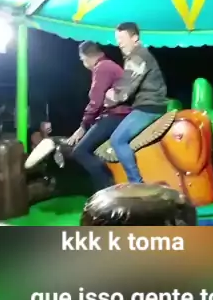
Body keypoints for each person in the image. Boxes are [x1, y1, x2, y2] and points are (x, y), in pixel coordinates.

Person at [105, 22, 167, 183]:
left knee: (117, 140)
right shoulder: (138, 55)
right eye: (117, 39)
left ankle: (136, 183)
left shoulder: (137, 56)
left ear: (135, 38)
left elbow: (124, 90)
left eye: (122, 38)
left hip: (149, 107)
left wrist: (107, 99)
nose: (119, 43)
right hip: (147, 104)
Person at [68, 42, 130, 190]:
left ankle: (107, 186)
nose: (84, 64)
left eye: (83, 60)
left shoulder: (102, 68)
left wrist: (83, 127)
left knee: (80, 151)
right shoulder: (108, 65)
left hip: (116, 115)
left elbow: (96, 101)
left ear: (87, 56)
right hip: (118, 113)